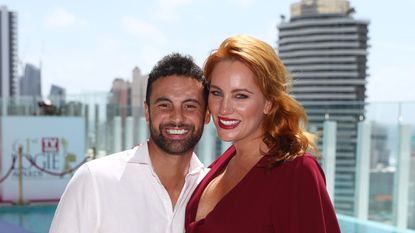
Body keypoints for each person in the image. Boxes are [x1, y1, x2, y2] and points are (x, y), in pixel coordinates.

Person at [185, 35, 341, 233]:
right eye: (216, 93)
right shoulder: (220, 165)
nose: (224, 108)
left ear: (269, 103)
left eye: (240, 96)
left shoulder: (297, 172)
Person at [49, 53, 210, 233]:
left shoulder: (211, 190)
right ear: (147, 111)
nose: (177, 117)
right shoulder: (95, 180)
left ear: (206, 115)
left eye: (190, 106)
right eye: (165, 105)